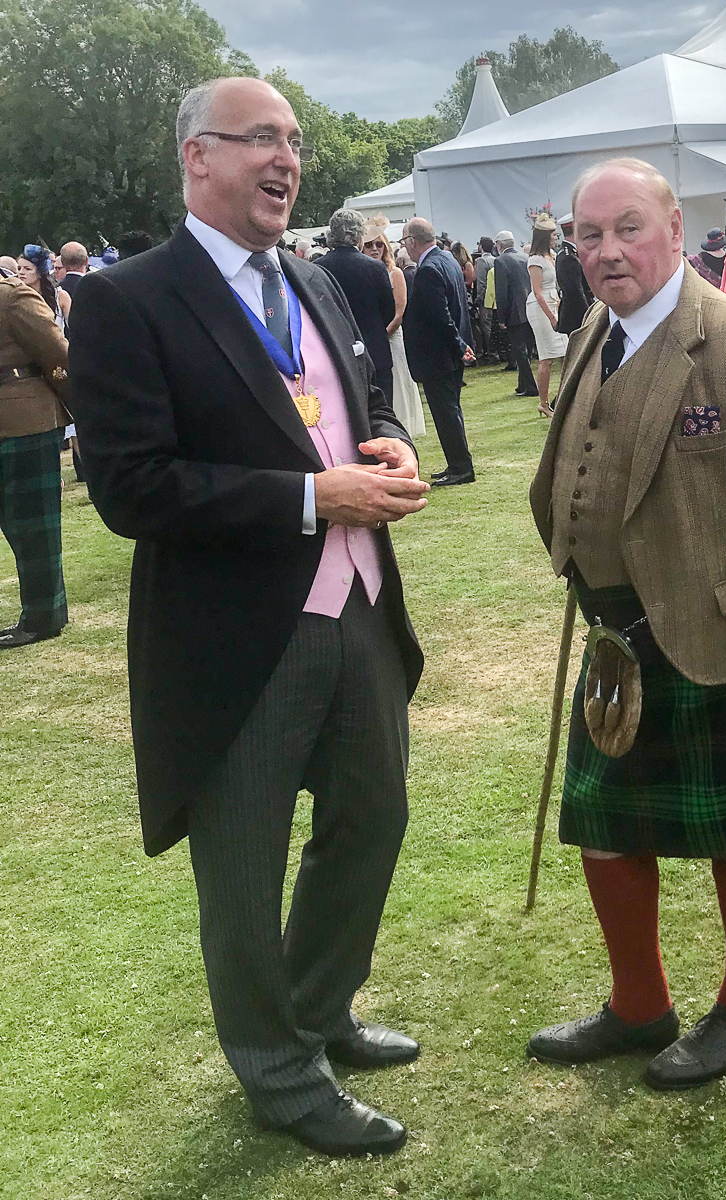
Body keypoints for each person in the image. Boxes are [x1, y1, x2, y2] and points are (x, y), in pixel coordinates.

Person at [69, 76, 431, 1158]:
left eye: (296, 141)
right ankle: (276, 1071)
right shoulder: (129, 299)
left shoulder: (316, 278)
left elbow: (353, 398)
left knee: (373, 820)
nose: (288, 160)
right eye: (262, 140)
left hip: (358, 608)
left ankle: (318, 1013)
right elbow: (131, 487)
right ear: (198, 157)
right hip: (233, 636)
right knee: (242, 862)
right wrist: (311, 499)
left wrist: (387, 442)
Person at [527, 157, 726, 1090]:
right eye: (588, 234)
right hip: (618, 636)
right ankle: (639, 1005)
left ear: (674, 228)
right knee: (606, 828)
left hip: (718, 641)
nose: (606, 250)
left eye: (627, 228)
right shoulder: (594, 331)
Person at [0, 274, 71, 649]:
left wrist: (80, 408)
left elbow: (57, 352)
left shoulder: (11, 297)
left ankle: (43, 617)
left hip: (26, 421)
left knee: (33, 526)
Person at [401, 216, 476, 485]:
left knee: (446, 413)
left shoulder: (429, 269)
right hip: (451, 351)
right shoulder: (447, 260)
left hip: (440, 354)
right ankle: (457, 462)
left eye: (404, 241)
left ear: (412, 241)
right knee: (450, 411)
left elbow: (440, 316)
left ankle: (461, 467)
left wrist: (459, 346)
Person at [317, 208, 397, 409]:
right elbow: (388, 311)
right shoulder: (375, 268)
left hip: (336, 354)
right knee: (382, 414)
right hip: (375, 352)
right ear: (360, 235)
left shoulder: (318, 268)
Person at [361, 216, 426, 441]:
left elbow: (399, 313)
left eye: (379, 244)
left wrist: (382, 335)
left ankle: (402, 426)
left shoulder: (394, 273)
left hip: (391, 337)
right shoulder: (366, 271)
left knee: (398, 383)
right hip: (373, 338)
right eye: (369, 245)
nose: (374, 249)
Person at [526, 214, 569, 418]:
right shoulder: (535, 260)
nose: (556, 237)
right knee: (547, 356)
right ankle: (543, 402)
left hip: (556, 302)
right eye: (552, 234)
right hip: (541, 307)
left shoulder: (551, 255)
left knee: (566, 353)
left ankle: (561, 399)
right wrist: (551, 316)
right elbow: (538, 291)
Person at [493, 230, 539, 397]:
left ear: (499, 245)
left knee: (520, 351)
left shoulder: (501, 261)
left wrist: (501, 318)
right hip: (530, 308)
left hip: (515, 312)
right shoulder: (525, 258)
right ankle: (522, 385)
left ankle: (531, 387)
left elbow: (501, 293)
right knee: (526, 348)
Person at [555, 212, 593, 336]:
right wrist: (589, 316)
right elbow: (575, 292)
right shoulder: (568, 257)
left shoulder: (572, 252)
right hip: (578, 316)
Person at [18, 245, 71, 333]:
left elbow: (74, 328)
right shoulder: (16, 295)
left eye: (27, 269)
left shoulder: (60, 295)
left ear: (40, 272)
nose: (21, 273)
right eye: (19, 268)